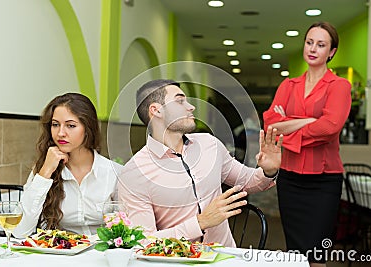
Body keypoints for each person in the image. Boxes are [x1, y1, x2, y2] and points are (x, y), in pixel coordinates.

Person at [117, 79, 283, 247]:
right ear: (156, 110)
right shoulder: (134, 173)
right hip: (176, 262)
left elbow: (246, 181)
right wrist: (200, 223)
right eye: (180, 101)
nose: (191, 107)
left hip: (226, 257)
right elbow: (143, 241)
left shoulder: (210, 144)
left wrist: (268, 171)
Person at [263, 21, 351, 266]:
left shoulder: (339, 86)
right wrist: (308, 120)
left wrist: (287, 124)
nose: (313, 49)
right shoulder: (288, 85)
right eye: (309, 42)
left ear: (331, 52)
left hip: (323, 181)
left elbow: (330, 127)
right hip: (290, 179)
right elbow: (270, 125)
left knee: (316, 255)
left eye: (321, 45)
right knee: (295, 253)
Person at [13, 93, 122, 238]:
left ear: (88, 128)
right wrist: (45, 171)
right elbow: (20, 231)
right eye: (55, 124)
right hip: (61, 254)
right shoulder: (43, 169)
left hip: (103, 254)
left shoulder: (114, 172)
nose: (61, 133)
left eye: (71, 126)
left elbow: (128, 228)